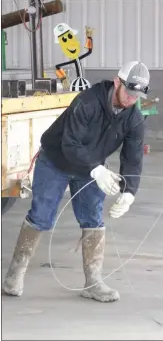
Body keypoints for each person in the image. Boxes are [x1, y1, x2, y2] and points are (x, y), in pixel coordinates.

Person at [2, 61, 150, 303]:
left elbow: (133, 158)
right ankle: (14, 276)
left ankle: (93, 282)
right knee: (41, 216)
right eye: (129, 92)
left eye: (138, 95)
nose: (132, 99)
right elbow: (70, 145)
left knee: (93, 218)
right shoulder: (87, 102)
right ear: (117, 82)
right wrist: (97, 170)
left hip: (92, 168)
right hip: (56, 161)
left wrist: (129, 192)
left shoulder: (133, 117)